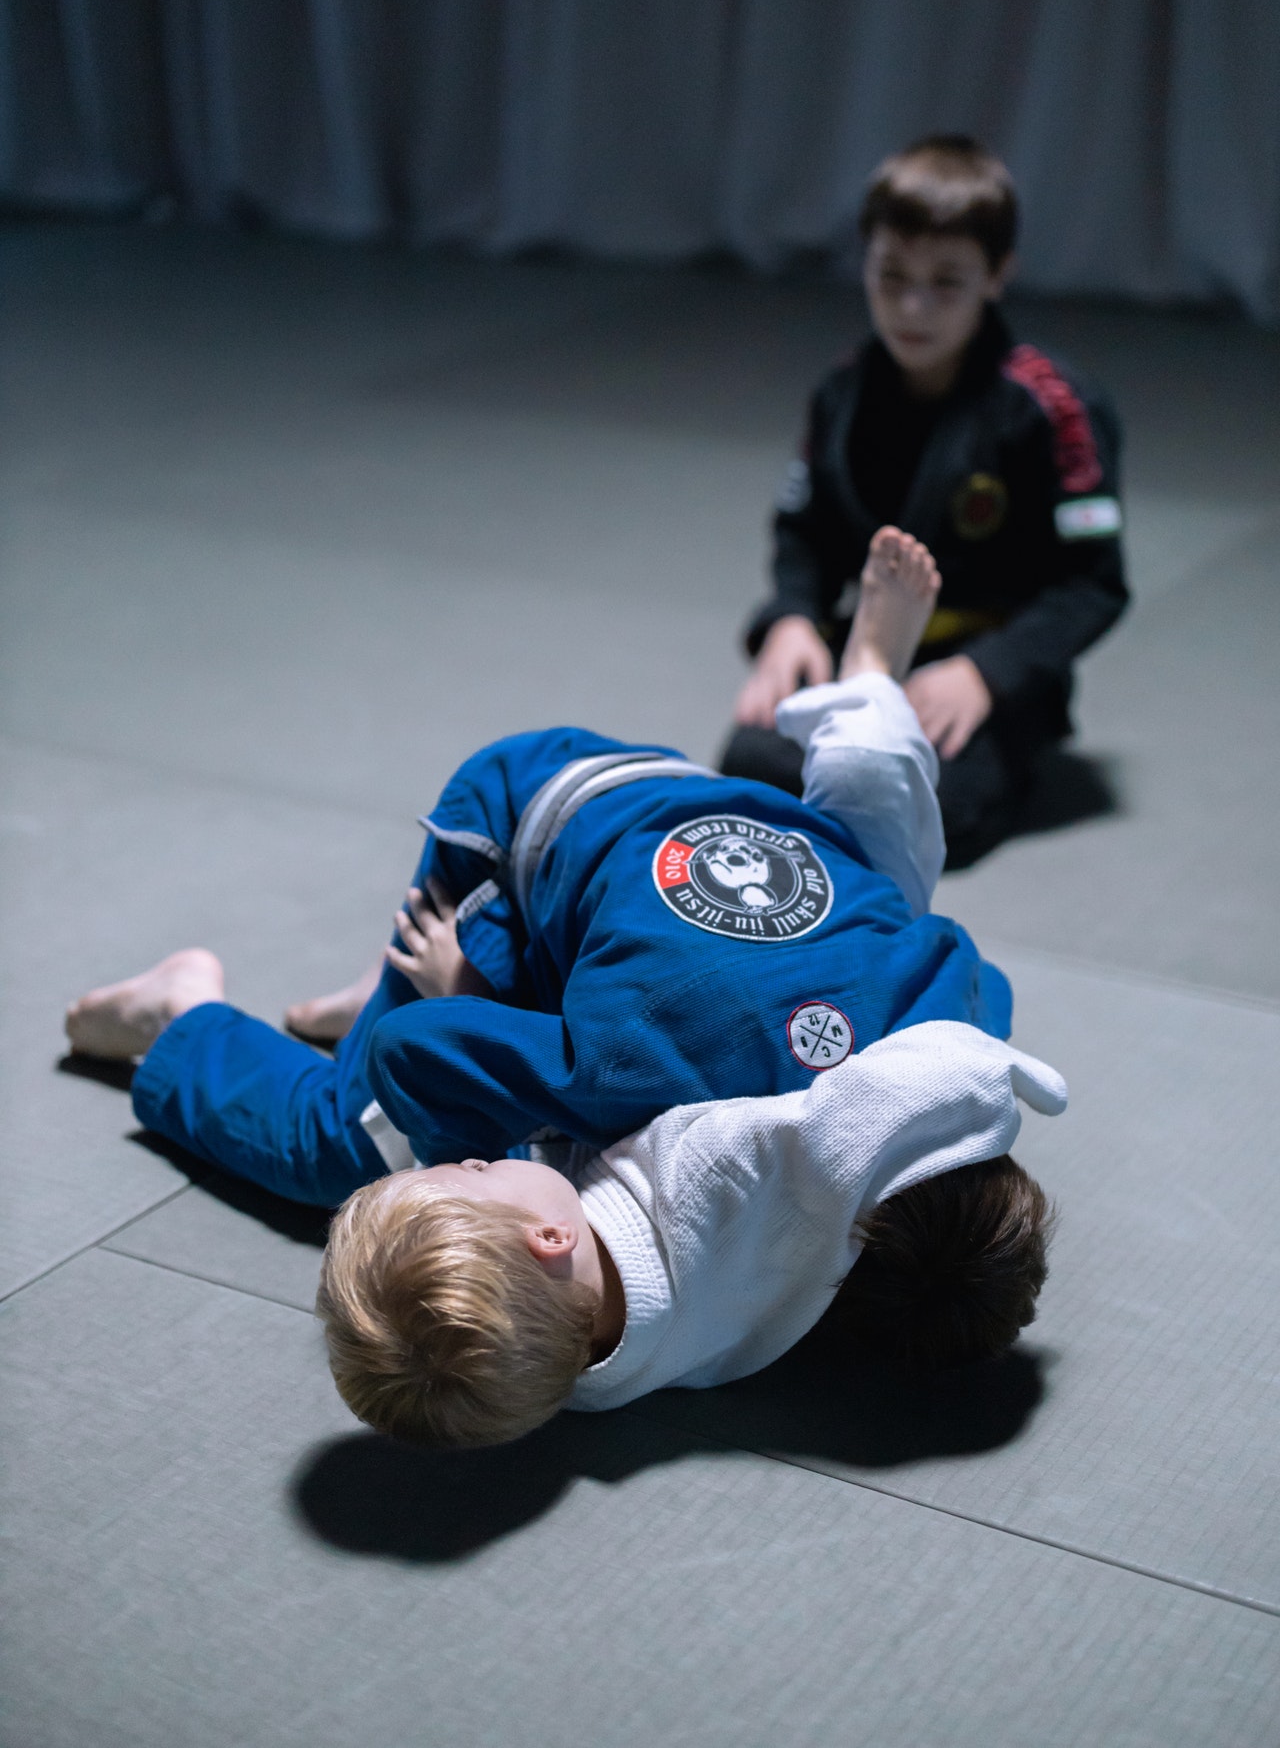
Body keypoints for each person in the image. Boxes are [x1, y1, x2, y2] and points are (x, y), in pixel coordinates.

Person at [66, 531, 1063, 1445]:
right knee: (341, 1140)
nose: (454, 1167)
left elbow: (915, 910)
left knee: (884, 869)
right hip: (519, 818)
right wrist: (469, 998)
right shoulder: (646, 1102)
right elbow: (425, 1054)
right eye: (460, 1175)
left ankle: (866, 688)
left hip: (724, 820)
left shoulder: (958, 1017)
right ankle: (183, 1010)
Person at [722, 134, 1128, 859]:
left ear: (998, 274)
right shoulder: (843, 393)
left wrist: (988, 673)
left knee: (940, 806)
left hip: (988, 660)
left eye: (947, 281)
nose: (914, 305)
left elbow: (1094, 583)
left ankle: (987, 749)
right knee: (749, 759)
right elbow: (802, 532)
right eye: (891, 275)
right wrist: (792, 620)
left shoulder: (1051, 407)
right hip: (870, 648)